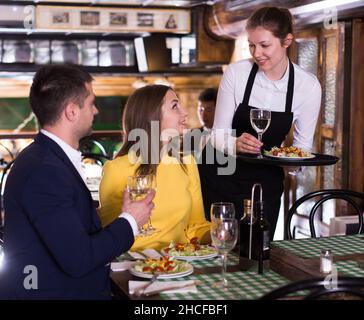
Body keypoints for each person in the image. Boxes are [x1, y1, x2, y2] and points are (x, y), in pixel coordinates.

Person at [0, 64, 155, 300]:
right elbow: (79, 258)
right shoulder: (44, 170)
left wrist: (124, 215)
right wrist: (131, 220)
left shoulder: (48, 158)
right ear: (72, 111)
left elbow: (69, 232)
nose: (96, 111)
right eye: (92, 103)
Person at [198, 7, 322, 238]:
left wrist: (291, 160)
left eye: (264, 45)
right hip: (218, 175)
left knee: (257, 253)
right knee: (213, 253)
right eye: (252, 45)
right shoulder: (237, 74)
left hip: (265, 185)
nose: (257, 53)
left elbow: (303, 149)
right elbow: (217, 134)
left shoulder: (308, 87)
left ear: (287, 41)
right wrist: (234, 144)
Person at [98, 85, 210, 251]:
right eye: (174, 106)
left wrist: (220, 234)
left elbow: (196, 226)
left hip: (179, 264)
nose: (185, 113)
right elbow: (109, 233)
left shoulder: (187, 162)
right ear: (152, 117)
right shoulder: (116, 169)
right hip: (133, 265)